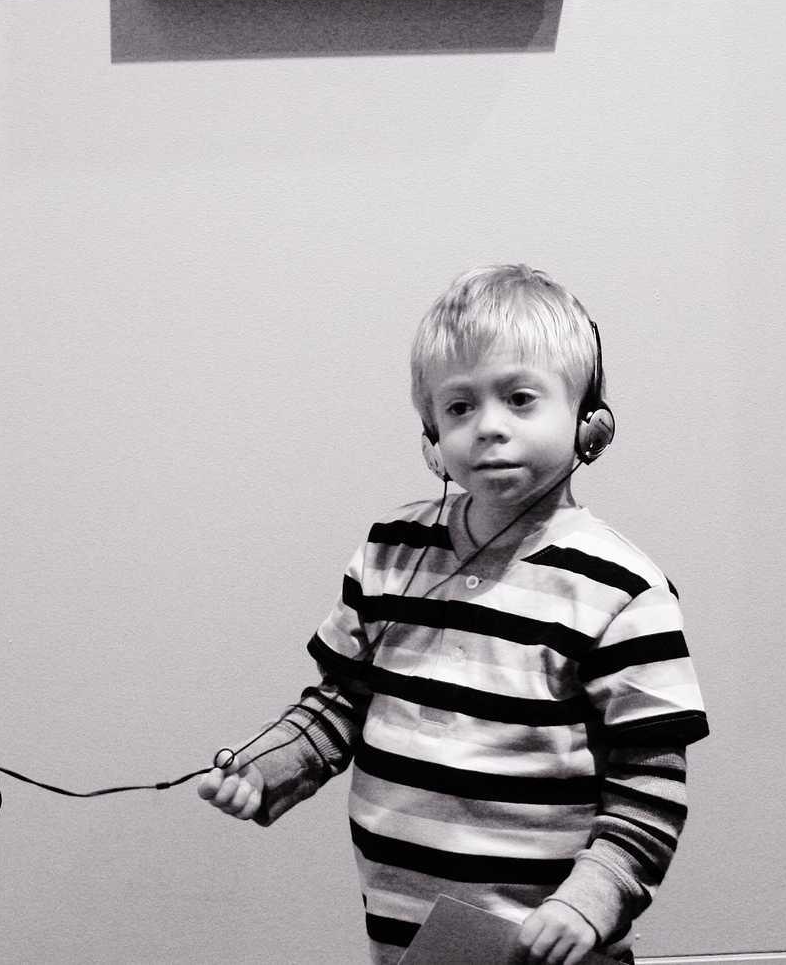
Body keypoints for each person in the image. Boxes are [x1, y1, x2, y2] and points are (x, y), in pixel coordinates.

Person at [199, 265, 709, 965]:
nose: (489, 426)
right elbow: (337, 702)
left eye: (520, 398)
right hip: (408, 941)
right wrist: (265, 767)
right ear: (431, 432)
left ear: (589, 417)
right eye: (460, 406)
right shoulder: (389, 551)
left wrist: (587, 900)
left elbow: (649, 789)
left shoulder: (622, 587)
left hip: (547, 947)